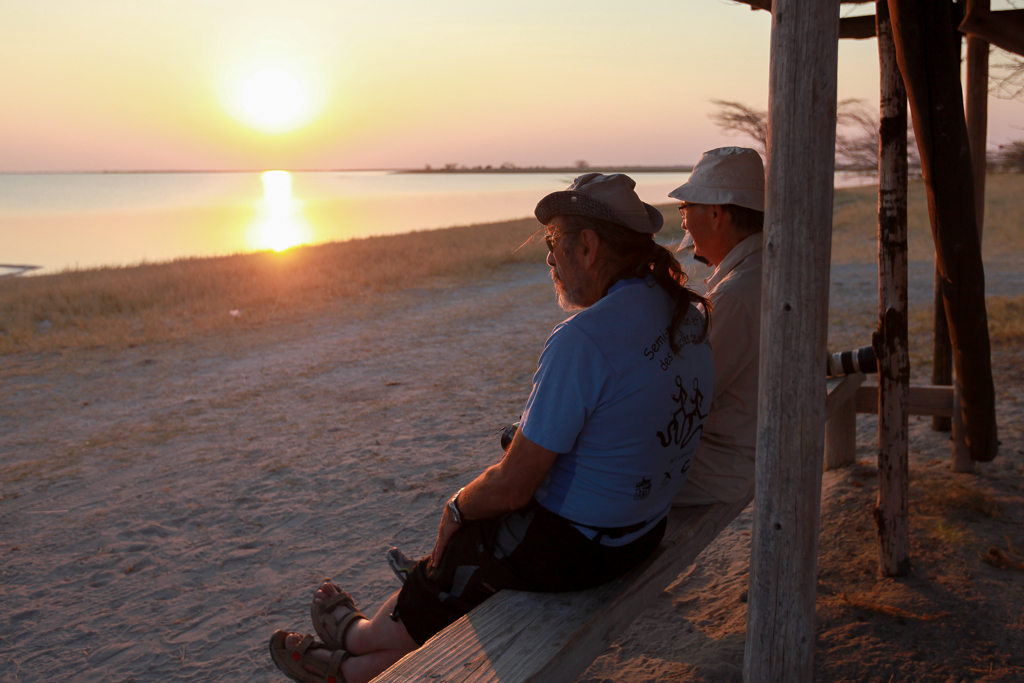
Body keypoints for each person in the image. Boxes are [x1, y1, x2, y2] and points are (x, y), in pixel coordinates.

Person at [268, 173, 715, 683]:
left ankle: (358, 642)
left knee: (466, 541)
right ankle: (368, 661)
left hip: (585, 550)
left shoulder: (584, 340)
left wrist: (454, 508)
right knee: (483, 528)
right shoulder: (683, 308)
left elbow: (513, 486)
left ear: (588, 247)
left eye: (554, 244)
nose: (550, 259)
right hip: (642, 529)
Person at [668, 146, 765, 507]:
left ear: (715, 213)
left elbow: (689, 394)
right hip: (745, 448)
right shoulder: (754, 271)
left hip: (724, 465)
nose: (683, 222)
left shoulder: (736, 293)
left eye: (685, 208)